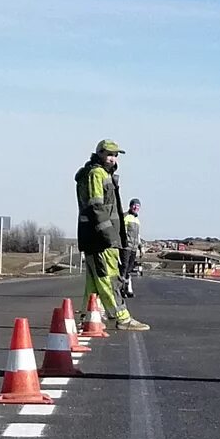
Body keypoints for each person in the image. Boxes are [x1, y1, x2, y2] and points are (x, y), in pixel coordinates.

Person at [76, 139, 148, 330]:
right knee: (109, 278)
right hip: (101, 238)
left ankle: (88, 316)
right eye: (109, 154)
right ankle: (122, 317)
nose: (113, 158)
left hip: (93, 237)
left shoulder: (100, 173)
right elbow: (96, 207)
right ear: (99, 153)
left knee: (94, 281)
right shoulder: (96, 174)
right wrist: (108, 234)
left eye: (116, 155)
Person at [120, 197, 145, 301]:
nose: (136, 207)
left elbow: (138, 235)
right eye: (134, 205)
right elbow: (123, 232)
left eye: (138, 206)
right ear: (130, 206)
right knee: (124, 268)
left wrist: (141, 247)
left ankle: (127, 289)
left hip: (134, 248)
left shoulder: (137, 220)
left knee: (129, 270)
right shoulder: (126, 217)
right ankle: (121, 289)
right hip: (126, 247)